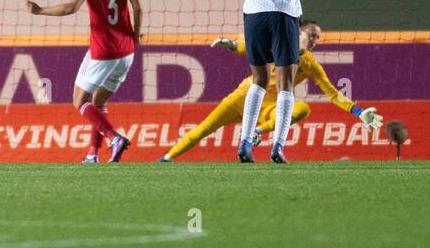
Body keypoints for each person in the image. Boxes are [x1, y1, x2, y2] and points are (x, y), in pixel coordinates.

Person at [159, 20, 382, 162]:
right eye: (311, 35)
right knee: (204, 129)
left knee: (302, 108)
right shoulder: (278, 44)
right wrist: (232, 45)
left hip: (270, 108)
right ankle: (167, 159)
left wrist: (359, 112)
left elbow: (333, 93)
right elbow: (251, 45)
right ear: (298, 32)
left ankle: (258, 131)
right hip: (243, 97)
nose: (315, 40)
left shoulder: (310, 64)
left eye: (318, 37)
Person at [27, 0, 141, 163]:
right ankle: (92, 154)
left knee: (80, 102)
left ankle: (114, 138)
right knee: (98, 103)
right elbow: (137, 7)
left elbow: (70, 8)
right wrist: (136, 36)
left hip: (104, 51)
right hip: (127, 52)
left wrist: (40, 11)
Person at [238, 0, 309, 164]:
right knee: (285, 83)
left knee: (258, 78)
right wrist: (288, 3)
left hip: (254, 12)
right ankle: (278, 147)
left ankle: (245, 143)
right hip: (284, 13)